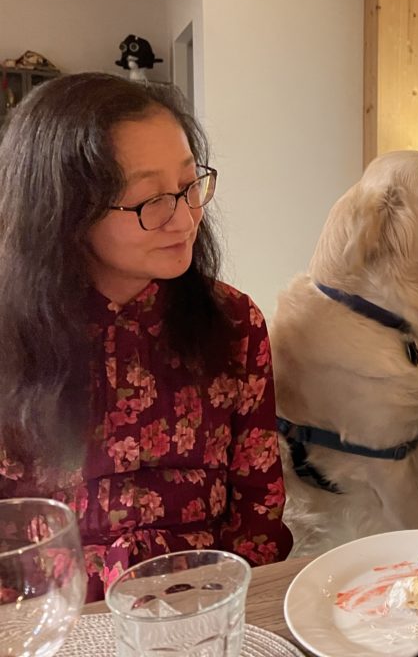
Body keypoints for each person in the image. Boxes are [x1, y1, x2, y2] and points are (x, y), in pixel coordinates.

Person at [0, 73, 292, 601]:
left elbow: (259, 506)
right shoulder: (11, 339)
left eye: (189, 184)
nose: (184, 219)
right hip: (53, 615)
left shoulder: (233, 322)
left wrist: (225, 611)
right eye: (150, 199)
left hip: (207, 603)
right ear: (64, 211)